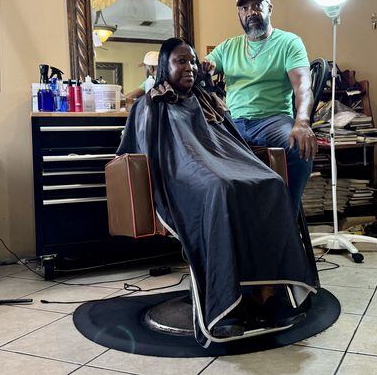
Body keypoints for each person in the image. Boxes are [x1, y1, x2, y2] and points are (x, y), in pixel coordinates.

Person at [117, 37, 316, 347]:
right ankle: (225, 309)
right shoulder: (150, 103)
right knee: (220, 188)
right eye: (180, 61)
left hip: (219, 166)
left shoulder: (207, 101)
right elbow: (149, 152)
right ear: (163, 68)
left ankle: (267, 294)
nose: (189, 67)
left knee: (270, 183)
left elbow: (231, 144)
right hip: (181, 175)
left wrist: (235, 165)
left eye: (193, 62)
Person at [203, 0, 318, 217]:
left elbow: (303, 86)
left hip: (273, 121)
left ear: (269, 8)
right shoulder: (228, 47)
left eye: (257, 5)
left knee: (298, 148)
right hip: (233, 124)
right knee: (197, 151)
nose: (251, 12)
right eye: (244, 8)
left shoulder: (288, 42)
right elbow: (205, 68)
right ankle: (227, 226)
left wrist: (302, 121)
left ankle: (287, 221)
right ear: (239, 14)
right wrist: (203, 67)